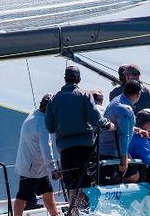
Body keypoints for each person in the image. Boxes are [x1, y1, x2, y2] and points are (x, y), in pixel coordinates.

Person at [45, 65, 114, 205]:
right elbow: (95, 119)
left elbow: (50, 127)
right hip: (85, 148)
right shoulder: (84, 95)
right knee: (88, 183)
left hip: (65, 150)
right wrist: (108, 124)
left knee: (72, 185)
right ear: (79, 79)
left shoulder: (54, 100)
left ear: (65, 79)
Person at [14, 94, 63, 216]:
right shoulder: (42, 123)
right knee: (22, 197)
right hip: (32, 168)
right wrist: (53, 168)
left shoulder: (33, 115)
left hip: (32, 165)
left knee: (47, 190)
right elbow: (45, 147)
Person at [98, 80, 142, 185]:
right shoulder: (125, 109)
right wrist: (124, 159)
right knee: (134, 176)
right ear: (138, 94)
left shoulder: (117, 100)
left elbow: (119, 125)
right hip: (113, 152)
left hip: (106, 150)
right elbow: (123, 135)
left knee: (133, 175)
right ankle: (109, 182)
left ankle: (109, 181)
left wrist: (136, 129)